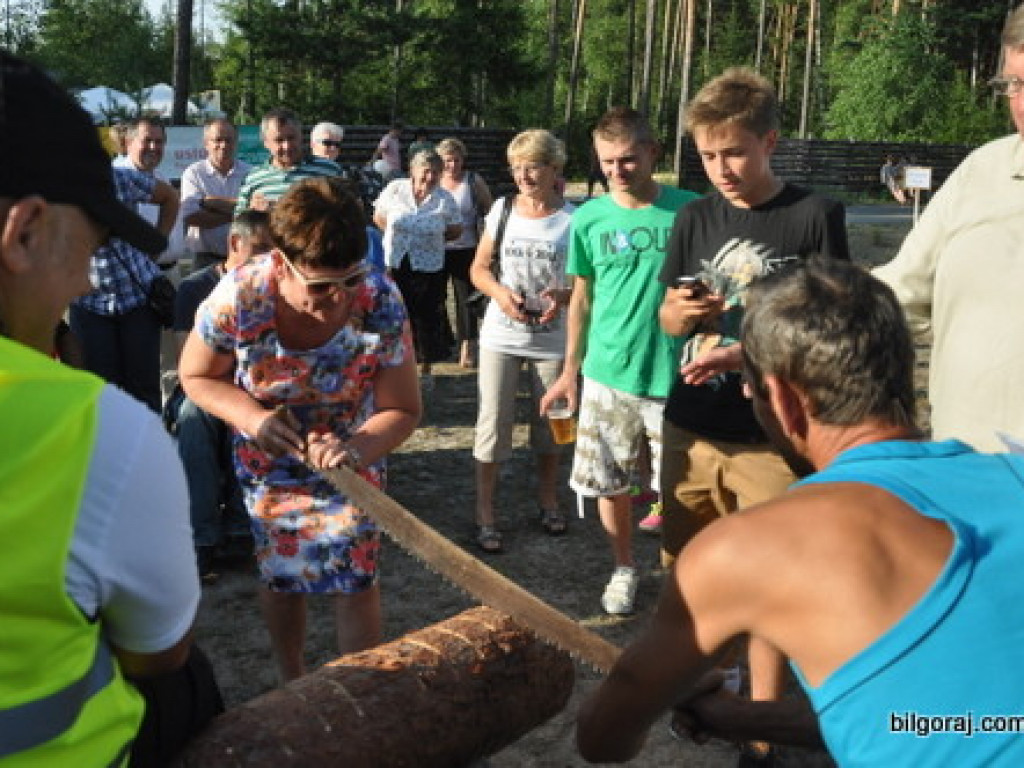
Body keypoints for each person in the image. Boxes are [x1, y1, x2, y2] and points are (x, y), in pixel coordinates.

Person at [577, 257, 1024, 767]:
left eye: (752, 388)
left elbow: (603, 740)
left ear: (784, 400)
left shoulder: (744, 548)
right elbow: (953, 718)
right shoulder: (1015, 474)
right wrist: (744, 719)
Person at [0, 50, 220, 766]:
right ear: (25, 233)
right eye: (88, 246)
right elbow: (158, 651)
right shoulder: (101, 434)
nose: (80, 279)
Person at [656, 66, 849, 762]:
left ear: (770, 141)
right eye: (708, 155)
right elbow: (668, 316)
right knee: (691, 572)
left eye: (734, 152)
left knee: (768, 586)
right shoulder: (693, 216)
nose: (721, 169)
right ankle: (709, 695)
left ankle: (763, 729)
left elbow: (830, 326)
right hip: (689, 424)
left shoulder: (814, 216)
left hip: (772, 436)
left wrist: (748, 354)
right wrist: (680, 314)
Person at [180, 177, 421, 683]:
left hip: (353, 452)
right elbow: (196, 376)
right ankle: (293, 680)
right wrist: (254, 418)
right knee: (282, 572)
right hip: (269, 457)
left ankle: (361, 687)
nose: (336, 300)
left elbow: (402, 408)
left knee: (356, 569)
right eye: (318, 287)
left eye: (349, 281)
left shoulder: (380, 299)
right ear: (281, 262)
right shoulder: (240, 297)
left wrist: (356, 447)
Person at [540, 107, 699, 616]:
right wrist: (569, 370)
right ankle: (625, 567)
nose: (617, 171)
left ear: (654, 152)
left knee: (681, 489)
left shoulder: (692, 211)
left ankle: (683, 577)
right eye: (608, 161)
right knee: (608, 481)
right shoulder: (588, 218)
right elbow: (581, 297)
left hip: (676, 376)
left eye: (628, 159)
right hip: (607, 374)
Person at [874, 5, 1024, 454]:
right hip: (966, 476)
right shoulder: (983, 171)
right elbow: (899, 292)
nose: (1022, 103)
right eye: (1015, 84)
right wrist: (779, 340)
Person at [467, 129, 574, 553]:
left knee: (552, 427)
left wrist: (565, 297)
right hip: (501, 332)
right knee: (493, 423)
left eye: (533, 166)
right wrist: (499, 294)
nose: (524, 176)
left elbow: (588, 283)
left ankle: (548, 499)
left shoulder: (575, 218)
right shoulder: (501, 210)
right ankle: (485, 512)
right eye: (517, 167)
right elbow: (478, 269)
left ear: (554, 169)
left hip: (552, 336)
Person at [169, 210, 273, 582]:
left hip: (253, 386)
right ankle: (202, 539)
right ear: (234, 244)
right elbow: (190, 364)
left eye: (273, 251)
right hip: (205, 385)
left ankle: (241, 530)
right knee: (195, 422)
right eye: (259, 249)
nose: (266, 260)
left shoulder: (272, 288)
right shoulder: (195, 288)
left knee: (259, 418)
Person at [69, 166, 180, 412]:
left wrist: (155, 246)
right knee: (99, 390)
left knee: (144, 390)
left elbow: (170, 197)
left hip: (136, 298)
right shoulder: (50, 188)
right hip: (88, 304)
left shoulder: (118, 177)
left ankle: (147, 448)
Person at [373, 148, 462, 388]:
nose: (430, 177)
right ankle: (393, 366)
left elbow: (455, 229)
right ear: (412, 170)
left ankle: (424, 368)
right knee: (395, 314)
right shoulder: (395, 189)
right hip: (396, 261)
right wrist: (395, 235)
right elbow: (379, 217)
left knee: (426, 317)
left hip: (429, 265)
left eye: (435, 172)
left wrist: (432, 237)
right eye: (425, 171)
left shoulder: (444, 198)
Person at [438, 136, 494, 368]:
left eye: (456, 160)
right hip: (436, 248)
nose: (452, 165)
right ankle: (443, 342)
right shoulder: (434, 180)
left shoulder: (472, 181)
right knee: (437, 299)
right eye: (447, 160)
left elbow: (490, 210)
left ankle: (467, 345)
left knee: (465, 300)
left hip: (466, 246)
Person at [234, 108, 340, 214]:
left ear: (301, 136)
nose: (287, 146)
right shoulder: (252, 178)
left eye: (291, 138)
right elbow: (239, 222)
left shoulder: (329, 170)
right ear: (265, 143)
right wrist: (252, 212)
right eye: (279, 140)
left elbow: (347, 214)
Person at [113, 116, 185, 270]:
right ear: (128, 143)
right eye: (147, 140)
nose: (153, 147)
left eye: (159, 142)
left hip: (169, 272)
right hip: (138, 276)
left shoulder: (161, 178)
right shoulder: (118, 180)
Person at [180, 117, 252, 270]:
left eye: (229, 140)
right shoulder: (194, 173)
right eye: (217, 140)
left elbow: (255, 214)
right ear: (206, 143)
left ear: (236, 142)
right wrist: (239, 212)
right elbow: (192, 216)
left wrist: (211, 203)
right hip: (205, 261)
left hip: (243, 260)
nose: (224, 145)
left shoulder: (250, 173)